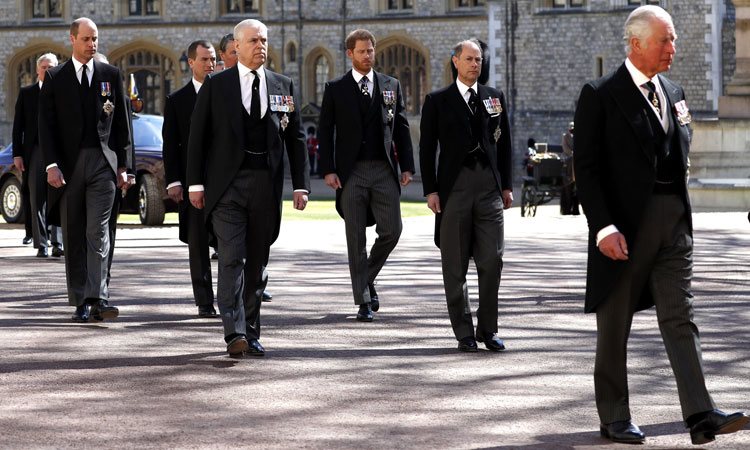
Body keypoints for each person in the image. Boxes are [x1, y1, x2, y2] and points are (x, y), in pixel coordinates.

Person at [573, 5, 748, 445]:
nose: (673, 48)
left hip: (674, 223)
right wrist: (603, 228)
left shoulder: (674, 90)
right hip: (625, 229)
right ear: (635, 44)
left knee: (680, 316)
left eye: (672, 40)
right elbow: (587, 170)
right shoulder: (600, 93)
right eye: (664, 40)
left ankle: (700, 412)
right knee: (615, 325)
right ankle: (614, 415)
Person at [187, 19, 309, 357]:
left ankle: (252, 330)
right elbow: (198, 139)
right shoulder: (216, 85)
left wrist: (301, 185)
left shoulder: (282, 85)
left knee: (257, 262)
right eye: (254, 40)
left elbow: (296, 139)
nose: (261, 46)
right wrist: (195, 183)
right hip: (227, 187)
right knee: (232, 258)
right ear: (237, 47)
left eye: (264, 40)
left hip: (265, 186)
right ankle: (234, 331)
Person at [419, 39, 513, 352]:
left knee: (492, 260)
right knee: (455, 265)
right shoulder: (437, 100)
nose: (476, 64)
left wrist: (507, 185)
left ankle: (489, 330)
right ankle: (464, 332)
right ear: (456, 61)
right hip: (453, 189)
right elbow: (427, 147)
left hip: (488, 187)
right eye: (470, 59)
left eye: (479, 60)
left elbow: (506, 145)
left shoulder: (494, 97)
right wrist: (431, 189)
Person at [38, 17, 132, 323]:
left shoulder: (110, 74)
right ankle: (79, 298)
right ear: (72, 39)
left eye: (96, 39)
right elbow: (46, 127)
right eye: (87, 39)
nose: (92, 44)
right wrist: (51, 165)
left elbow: (122, 126)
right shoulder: (55, 76)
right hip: (69, 165)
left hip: (103, 164)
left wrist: (124, 167)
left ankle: (99, 297)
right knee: (75, 231)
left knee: (98, 231)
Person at [317, 29, 415, 322]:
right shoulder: (336, 88)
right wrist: (328, 169)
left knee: (392, 231)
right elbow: (325, 130)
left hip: (384, 169)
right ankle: (362, 301)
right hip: (351, 172)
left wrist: (407, 165)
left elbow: (401, 126)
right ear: (350, 54)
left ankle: (365, 279)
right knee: (355, 237)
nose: (367, 56)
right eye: (361, 52)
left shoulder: (391, 85)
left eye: (370, 51)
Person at [163, 40, 218, 318]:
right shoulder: (177, 101)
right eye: (205, 59)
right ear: (191, 62)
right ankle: (205, 300)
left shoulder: (228, 93)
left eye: (213, 59)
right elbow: (170, 144)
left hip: (224, 181)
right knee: (197, 244)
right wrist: (174, 180)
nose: (210, 64)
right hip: (191, 182)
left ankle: (233, 296)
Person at [12, 53, 64, 258]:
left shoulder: (63, 93)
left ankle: (57, 242)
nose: (48, 70)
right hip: (35, 152)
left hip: (58, 152)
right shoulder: (27, 93)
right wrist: (17, 154)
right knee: (37, 198)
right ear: (37, 70)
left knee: (58, 197)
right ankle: (41, 244)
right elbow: (18, 128)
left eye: (52, 67)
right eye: (44, 67)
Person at [559, 121, 579, 215]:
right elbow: (565, 147)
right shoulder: (565, 136)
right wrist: (572, 154)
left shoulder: (578, 136)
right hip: (568, 158)